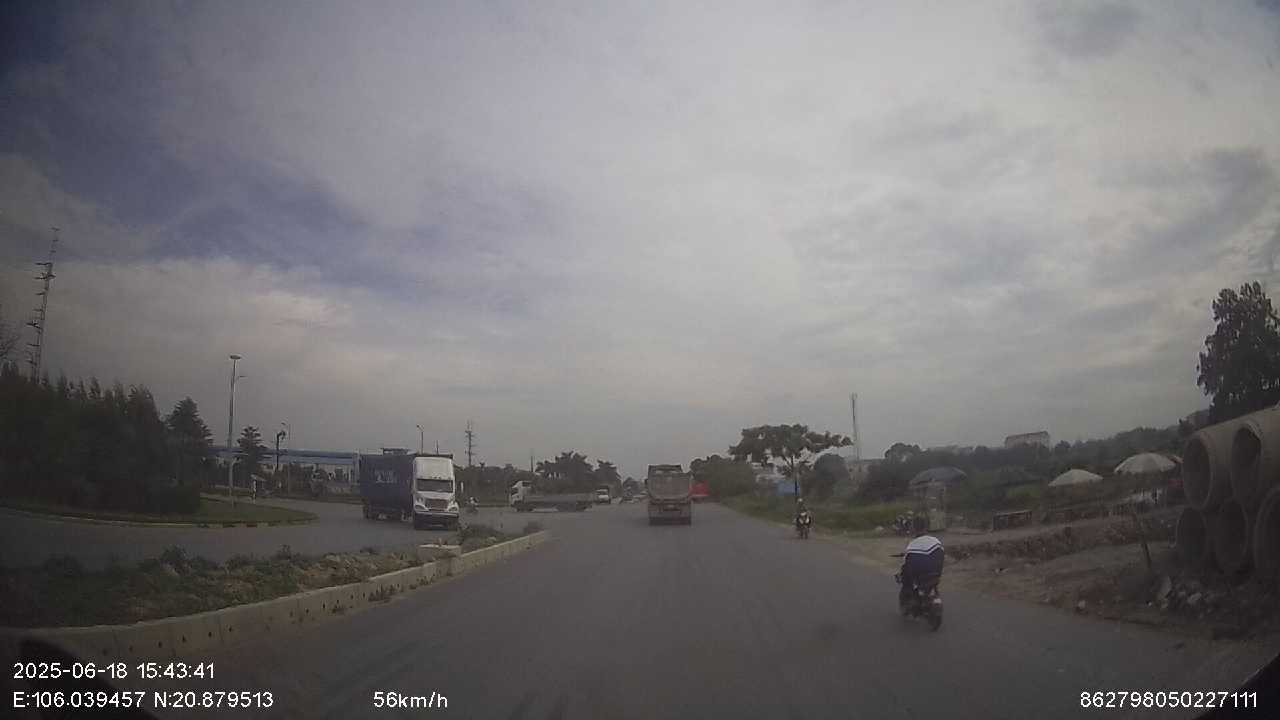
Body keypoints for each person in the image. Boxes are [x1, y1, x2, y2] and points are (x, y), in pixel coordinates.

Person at [899, 532, 945, 609]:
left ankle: (910, 602)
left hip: (920, 572)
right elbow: (942, 553)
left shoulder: (913, 544)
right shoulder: (934, 540)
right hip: (935, 571)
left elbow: (906, 563)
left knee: (907, 576)